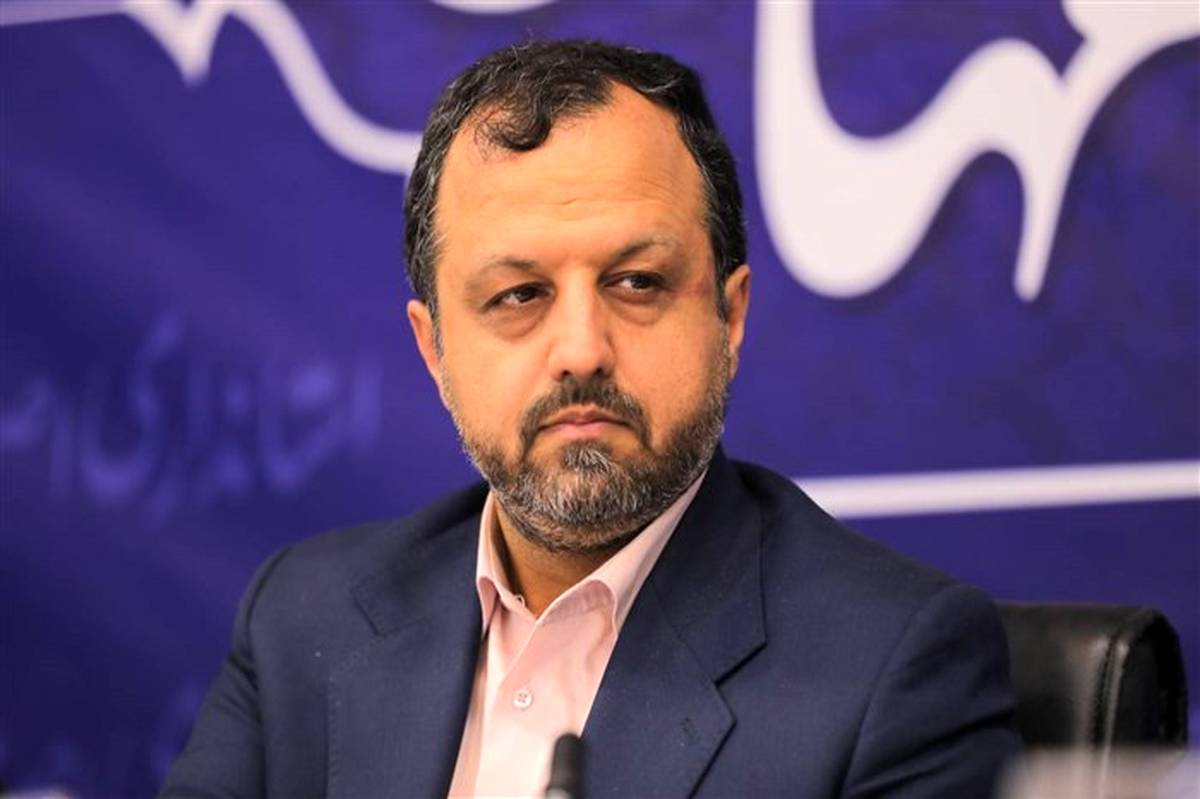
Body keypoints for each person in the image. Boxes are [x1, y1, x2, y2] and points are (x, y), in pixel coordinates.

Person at [161, 40, 1020, 797]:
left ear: (730, 317)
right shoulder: (301, 621)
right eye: (518, 295)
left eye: (637, 282)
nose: (580, 349)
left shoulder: (893, 668)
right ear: (434, 349)